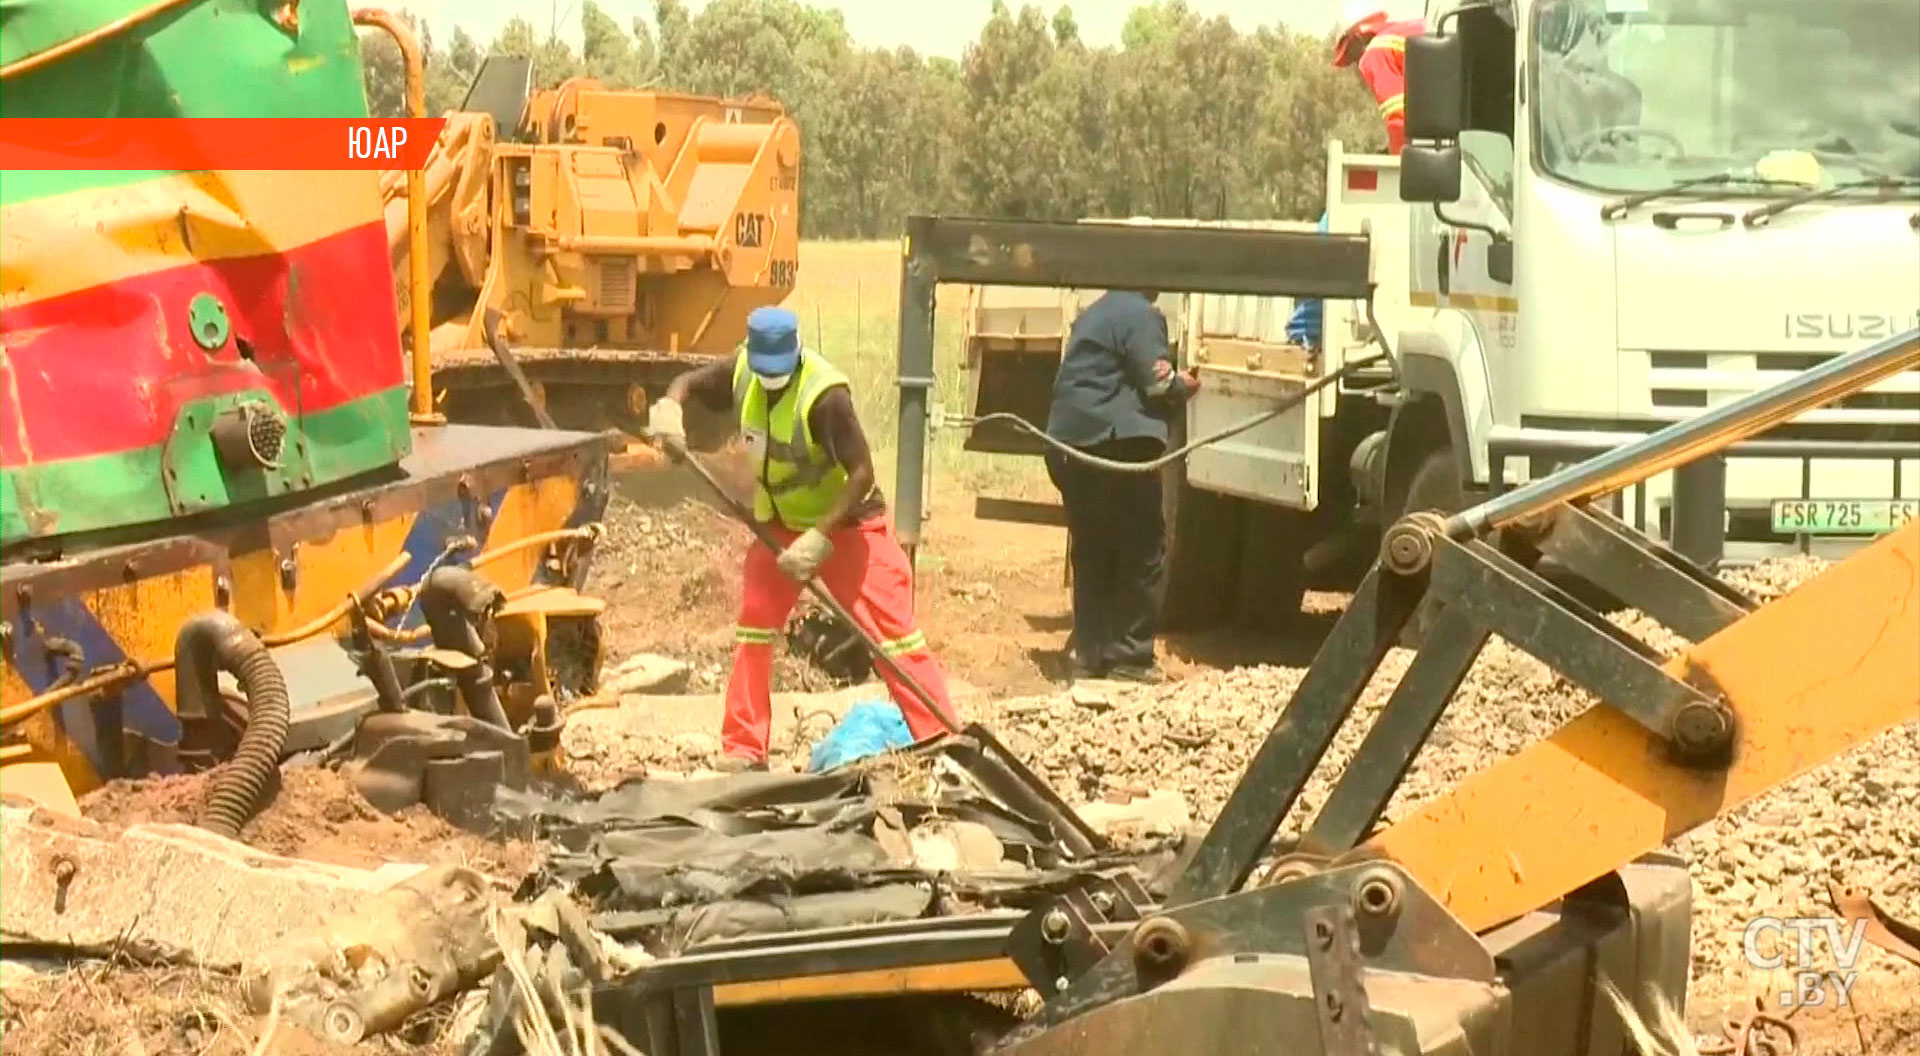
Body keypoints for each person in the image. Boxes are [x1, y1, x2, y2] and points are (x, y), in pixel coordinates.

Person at [648, 306, 955, 771]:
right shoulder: (743, 370)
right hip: (780, 525)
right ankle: (745, 748)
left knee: (895, 638)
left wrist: (818, 537)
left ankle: (943, 739)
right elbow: (688, 382)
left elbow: (861, 473)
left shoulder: (825, 395)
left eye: (779, 371)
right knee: (754, 625)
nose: (770, 379)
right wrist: (671, 407)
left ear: (795, 355)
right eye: (762, 369)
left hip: (848, 526)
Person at [1044, 289, 1199, 685]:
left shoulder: (1094, 313)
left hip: (1068, 445)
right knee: (1142, 547)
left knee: (1093, 548)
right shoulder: (1142, 314)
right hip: (1113, 443)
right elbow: (1158, 384)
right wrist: (1188, 384)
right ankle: (1130, 655)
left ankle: (1091, 655)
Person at [1286, 5, 1428, 350]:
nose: (1354, 64)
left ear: (1357, 37)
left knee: (1330, 227)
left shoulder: (1376, 53)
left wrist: (1398, 167)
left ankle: (1306, 330)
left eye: (1350, 53)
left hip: (1421, 165)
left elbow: (1398, 117)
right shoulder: (1413, 30)